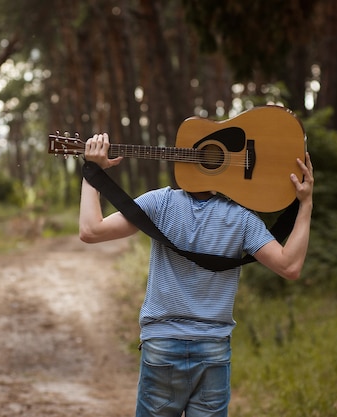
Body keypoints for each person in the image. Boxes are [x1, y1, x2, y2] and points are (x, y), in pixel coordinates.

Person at [78, 132, 314, 417]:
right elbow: (290, 267)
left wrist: (92, 172)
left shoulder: (160, 203)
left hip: (162, 345)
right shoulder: (241, 219)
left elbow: (91, 231)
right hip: (212, 349)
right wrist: (305, 203)